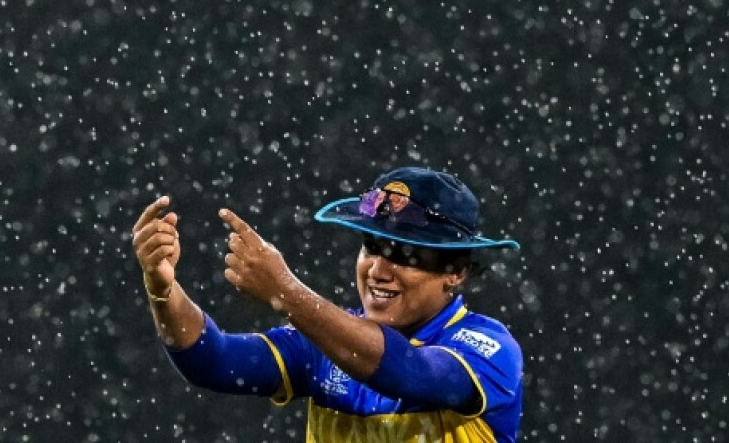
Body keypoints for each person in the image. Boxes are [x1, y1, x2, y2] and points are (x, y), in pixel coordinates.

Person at [131, 166, 524, 441]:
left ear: (454, 271)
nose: (378, 271)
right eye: (371, 248)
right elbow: (211, 361)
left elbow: (410, 373)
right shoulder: (323, 338)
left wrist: (285, 291)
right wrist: (162, 289)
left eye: (404, 255)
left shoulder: (489, 347)